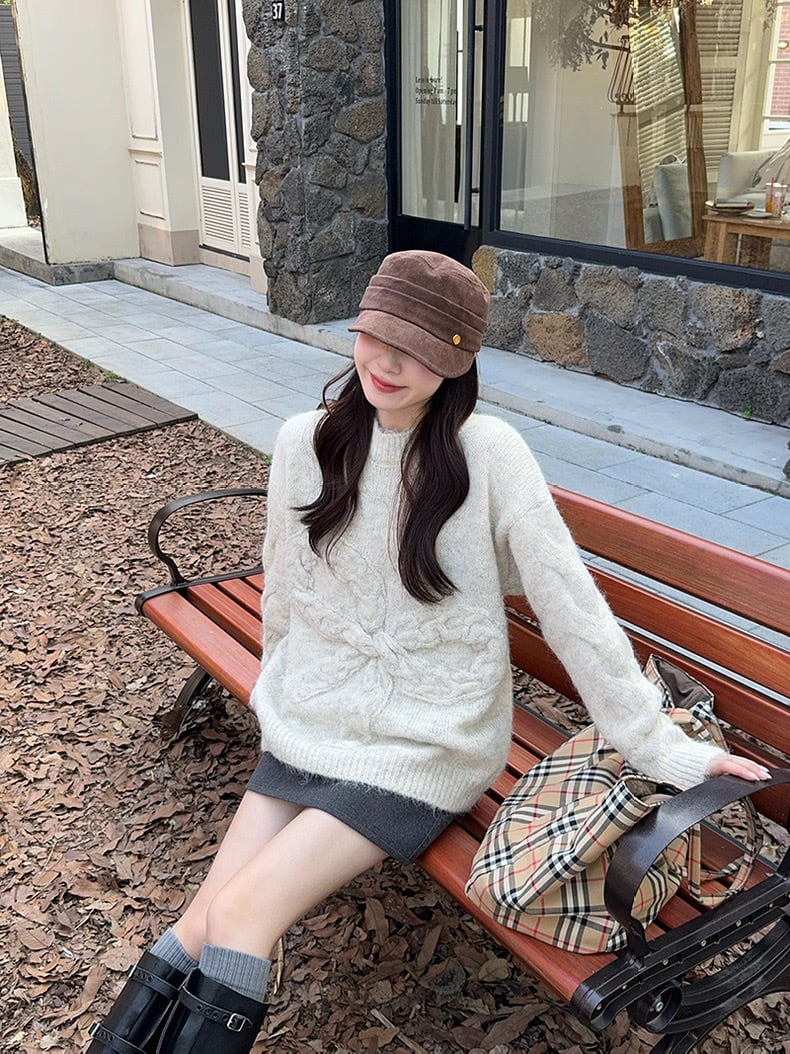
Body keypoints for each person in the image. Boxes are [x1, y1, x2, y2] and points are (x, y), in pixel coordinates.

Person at [86, 250, 770, 1054]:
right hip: (314, 718)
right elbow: (286, 590)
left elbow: (570, 607)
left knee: (240, 916)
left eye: (415, 349)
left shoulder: (488, 454)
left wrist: (657, 743)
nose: (386, 362)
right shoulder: (306, 442)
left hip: (424, 743)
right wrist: (280, 695)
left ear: (457, 361)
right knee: (199, 918)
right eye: (376, 335)